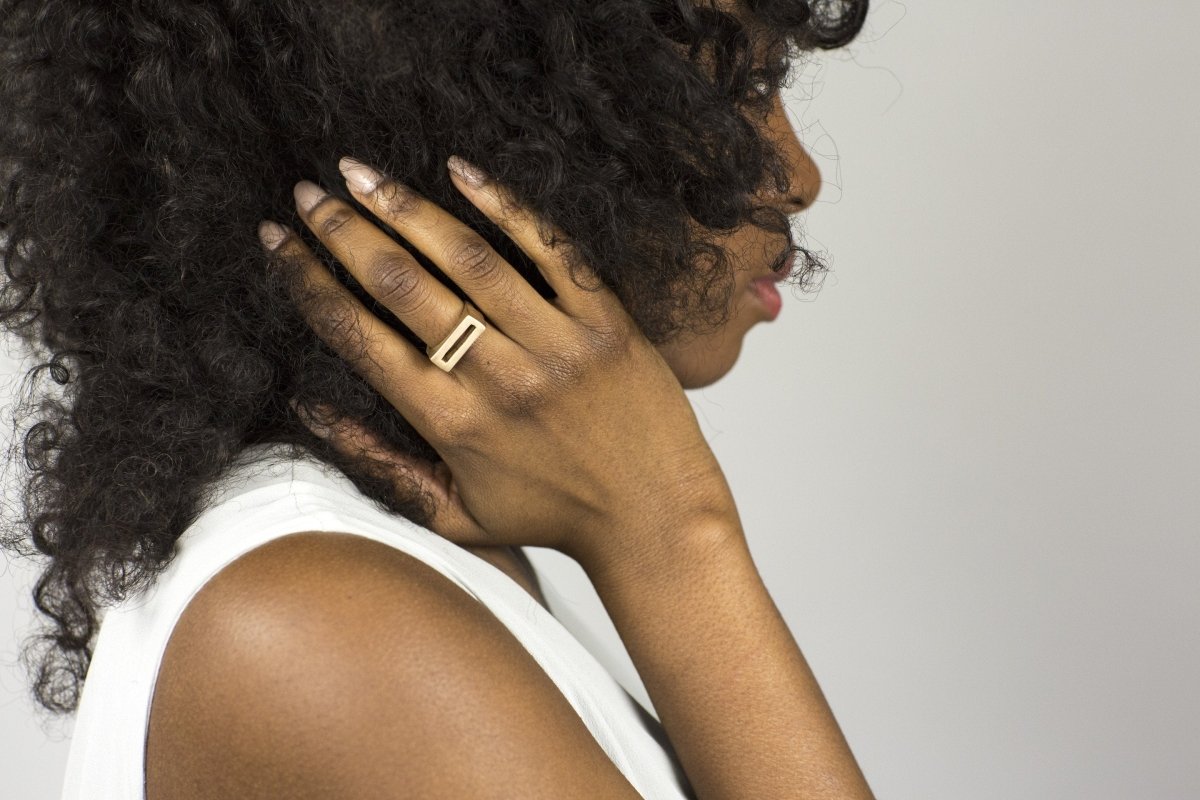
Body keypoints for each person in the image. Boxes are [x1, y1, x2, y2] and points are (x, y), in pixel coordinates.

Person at [0, 0, 873, 797]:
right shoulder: (325, 627)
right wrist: (671, 533)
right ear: (500, 120)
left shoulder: (406, 559)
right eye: (738, 93)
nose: (797, 176)